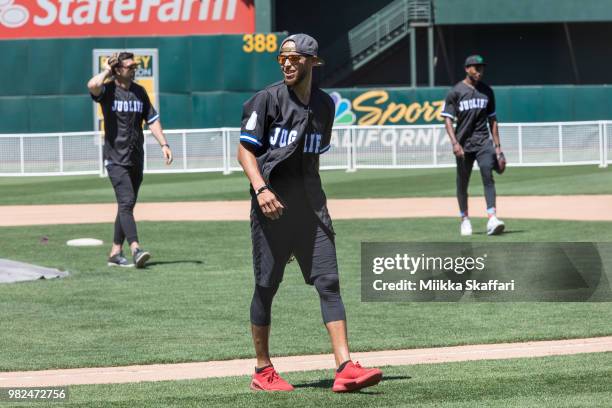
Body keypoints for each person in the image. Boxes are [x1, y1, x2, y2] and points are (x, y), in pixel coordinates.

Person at [237, 34, 383, 392]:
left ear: (312, 62)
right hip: (271, 208)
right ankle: (262, 370)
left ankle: (345, 366)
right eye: (282, 58)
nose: (287, 63)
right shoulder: (267, 100)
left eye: (295, 58)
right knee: (266, 287)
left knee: (329, 282)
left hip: (311, 210)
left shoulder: (325, 106)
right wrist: (261, 189)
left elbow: (313, 157)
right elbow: (245, 151)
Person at [87, 52, 173, 268]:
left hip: (136, 157)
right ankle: (136, 249)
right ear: (118, 70)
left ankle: (115, 252)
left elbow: (152, 120)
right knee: (126, 202)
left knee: (127, 205)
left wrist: (164, 144)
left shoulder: (139, 92)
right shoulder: (107, 91)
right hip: (115, 158)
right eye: (129, 66)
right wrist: (107, 69)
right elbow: (92, 85)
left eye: (135, 66)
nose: (134, 69)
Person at [442, 54, 505, 236]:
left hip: (483, 141)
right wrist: (454, 143)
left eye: (481, 67)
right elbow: (447, 119)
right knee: (463, 183)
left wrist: (498, 148)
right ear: (467, 69)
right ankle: (465, 219)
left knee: (488, 174)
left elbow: (493, 120)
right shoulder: (456, 92)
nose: (479, 71)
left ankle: (492, 218)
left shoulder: (487, 91)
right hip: (463, 145)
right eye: (475, 67)